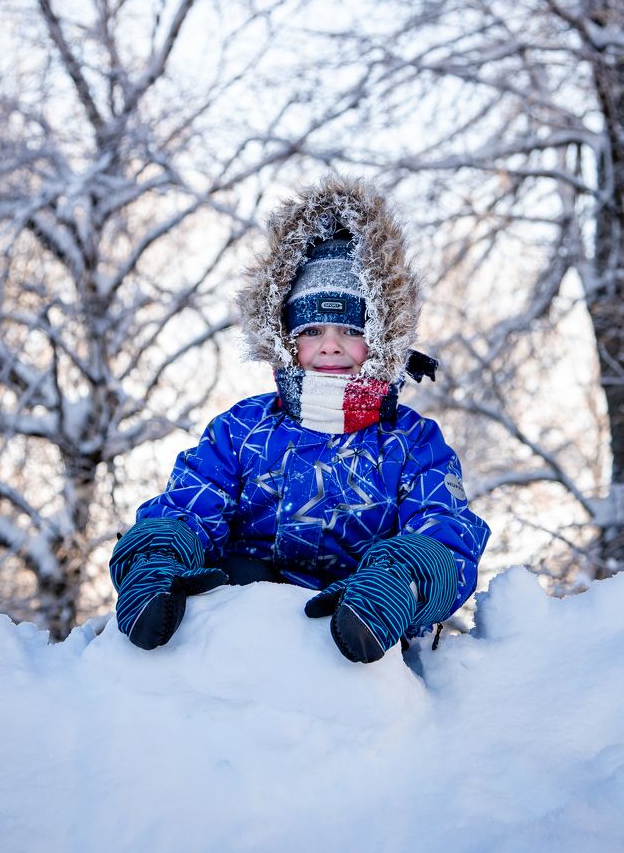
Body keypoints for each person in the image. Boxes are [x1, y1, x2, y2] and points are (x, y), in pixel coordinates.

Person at [110, 177, 491, 662]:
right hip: (237, 639)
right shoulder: (242, 430)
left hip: (353, 637)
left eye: (350, 329)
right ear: (285, 338)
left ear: (382, 338)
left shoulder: (413, 444)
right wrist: (155, 559)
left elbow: (445, 532)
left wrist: (398, 581)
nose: (329, 346)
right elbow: (190, 506)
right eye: (311, 330)